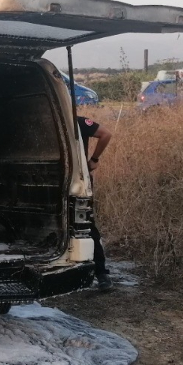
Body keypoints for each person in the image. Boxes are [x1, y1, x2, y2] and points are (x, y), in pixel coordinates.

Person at [77, 114, 113, 290]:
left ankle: (101, 272)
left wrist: (94, 159)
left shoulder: (78, 121)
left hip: (77, 182)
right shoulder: (73, 119)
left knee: (87, 224)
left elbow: (106, 134)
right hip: (70, 180)